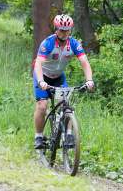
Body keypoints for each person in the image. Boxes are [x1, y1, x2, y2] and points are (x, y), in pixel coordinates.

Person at [33, 14, 94, 149]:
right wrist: (41, 81)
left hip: (59, 77)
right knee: (42, 106)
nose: (64, 32)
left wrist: (89, 80)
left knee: (67, 106)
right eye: (61, 30)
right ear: (56, 29)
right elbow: (38, 64)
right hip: (42, 75)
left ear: (70, 30)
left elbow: (84, 62)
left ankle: (69, 134)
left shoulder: (74, 44)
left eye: (67, 30)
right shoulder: (48, 43)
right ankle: (38, 136)